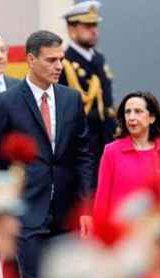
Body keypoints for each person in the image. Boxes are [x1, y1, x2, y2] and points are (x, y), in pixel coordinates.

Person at [0, 30, 94, 278]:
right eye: (51, 60)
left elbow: (82, 155)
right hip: (27, 212)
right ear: (31, 60)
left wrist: (84, 205)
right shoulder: (5, 103)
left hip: (66, 213)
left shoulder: (71, 99)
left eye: (60, 59)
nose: (59, 66)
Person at [93, 91, 160, 245]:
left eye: (138, 111)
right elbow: (102, 201)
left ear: (152, 117)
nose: (131, 117)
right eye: (128, 112)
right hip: (123, 243)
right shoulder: (111, 151)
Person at [59, 1, 116, 184]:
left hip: (105, 141)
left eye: (95, 25)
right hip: (82, 146)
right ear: (71, 29)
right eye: (88, 25)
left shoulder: (98, 59)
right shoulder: (65, 63)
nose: (94, 30)